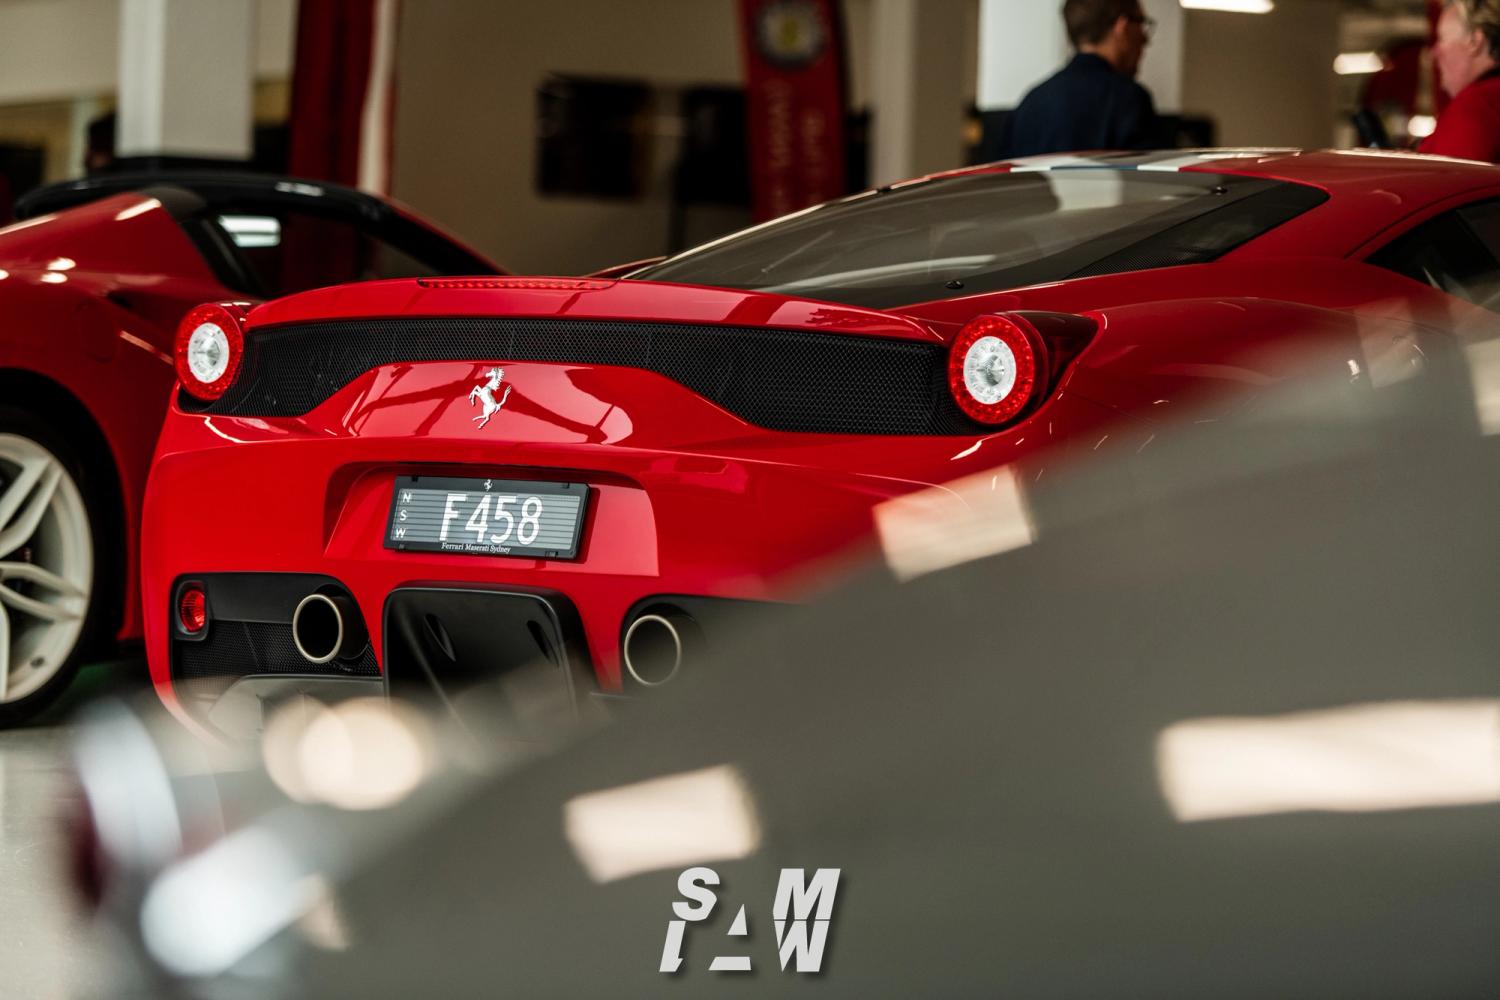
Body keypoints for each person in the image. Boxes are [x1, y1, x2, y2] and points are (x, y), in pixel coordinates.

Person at [1001, 0, 1161, 159]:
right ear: (1122, 27)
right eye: (1141, 23)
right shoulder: (1129, 99)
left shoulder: (1029, 102)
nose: (1145, 39)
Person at [1423, 0, 1500, 162]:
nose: (1434, 53)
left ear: (1475, 41)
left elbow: (1448, 176)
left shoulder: (1476, 105)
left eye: (1442, 38)